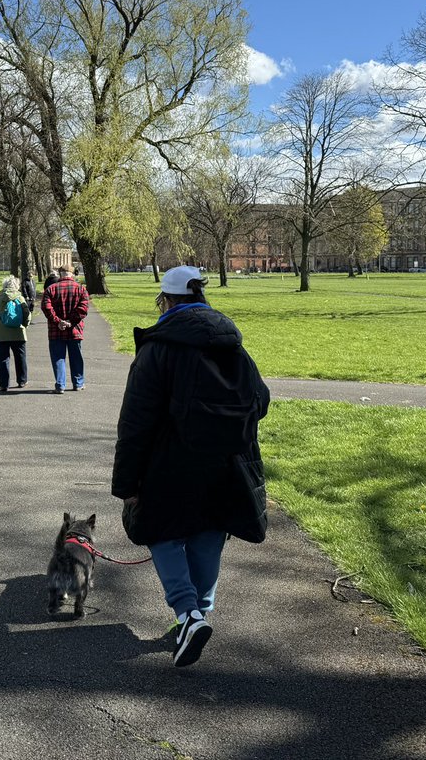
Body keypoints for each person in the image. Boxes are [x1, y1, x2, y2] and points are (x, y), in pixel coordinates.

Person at [111, 265, 270, 668]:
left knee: (161, 531)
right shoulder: (233, 344)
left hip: (171, 462)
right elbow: (261, 400)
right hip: (228, 462)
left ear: (165, 300)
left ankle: (187, 614)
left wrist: (127, 482)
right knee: (209, 531)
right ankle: (198, 614)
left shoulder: (158, 347)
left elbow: (135, 421)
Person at [40, 265, 89, 394]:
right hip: (75, 330)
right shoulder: (81, 289)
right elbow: (83, 309)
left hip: (56, 330)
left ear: (60, 274)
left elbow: (46, 307)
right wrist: (70, 321)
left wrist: (58, 321)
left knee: (58, 358)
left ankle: (60, 384)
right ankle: (78, 383)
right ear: (72, 274)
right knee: (76, 357)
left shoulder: (51, 289)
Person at [0, 274, 31, 392]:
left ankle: (4, 384)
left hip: (0, 334)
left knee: (3, 359)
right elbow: (27, 314)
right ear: (17, 285)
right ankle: (22, 380)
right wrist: (24, 325)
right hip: (18, 333)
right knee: (20, 357)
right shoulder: (20, 298)